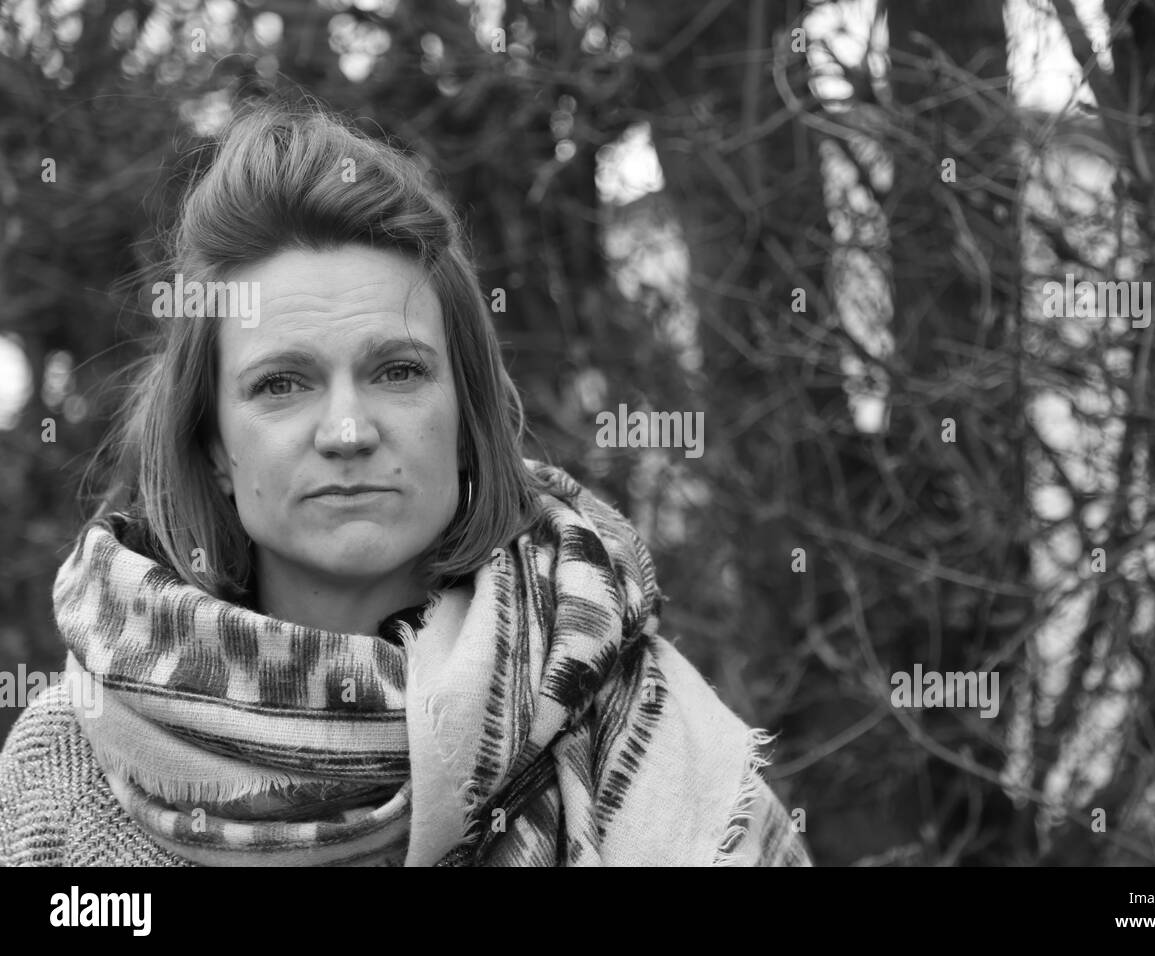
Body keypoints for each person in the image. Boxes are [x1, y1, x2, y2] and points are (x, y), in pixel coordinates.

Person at [0, 101, 812, 867]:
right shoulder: (71, 765)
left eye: (398, 371)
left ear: (466, 414)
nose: (348, 432)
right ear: (212, 442)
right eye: (282, 383)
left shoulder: (640, 722)